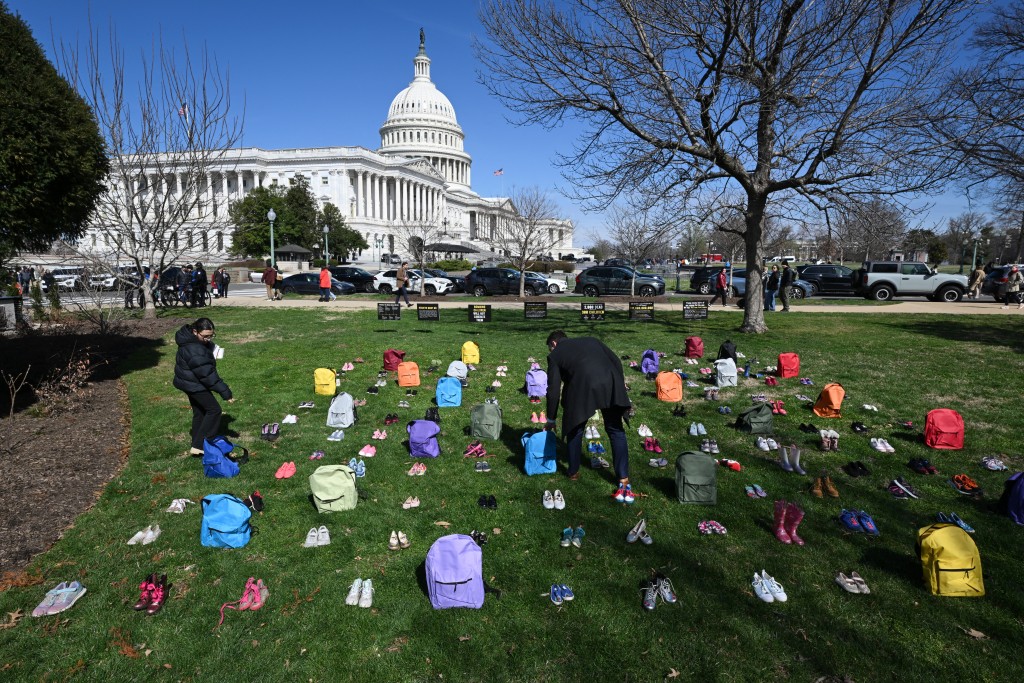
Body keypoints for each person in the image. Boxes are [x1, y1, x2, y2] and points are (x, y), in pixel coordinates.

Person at [544, 330, 634, 500]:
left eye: (550, 348)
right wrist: (619, 384)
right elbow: (615, 360)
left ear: (554, 344)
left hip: (583, 387)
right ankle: (623, 477)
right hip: (611, 382)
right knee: (616, 430)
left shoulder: (555, 355)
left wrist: (551, 418)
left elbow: (554, 390)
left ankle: (573, 471)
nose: (551, 351)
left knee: (575, 428)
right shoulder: (592, 340)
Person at [172, 318, 234, 456]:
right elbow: (207, 375)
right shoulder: (194, 348)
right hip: (194, 383)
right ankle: (200, 445)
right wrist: (225, 392)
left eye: (211, 336)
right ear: (195, 331)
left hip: (188, 381)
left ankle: (197, 444)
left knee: (200, 412)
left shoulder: (191, 340)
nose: (208, 339)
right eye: (205, 336)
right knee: (214, 410)